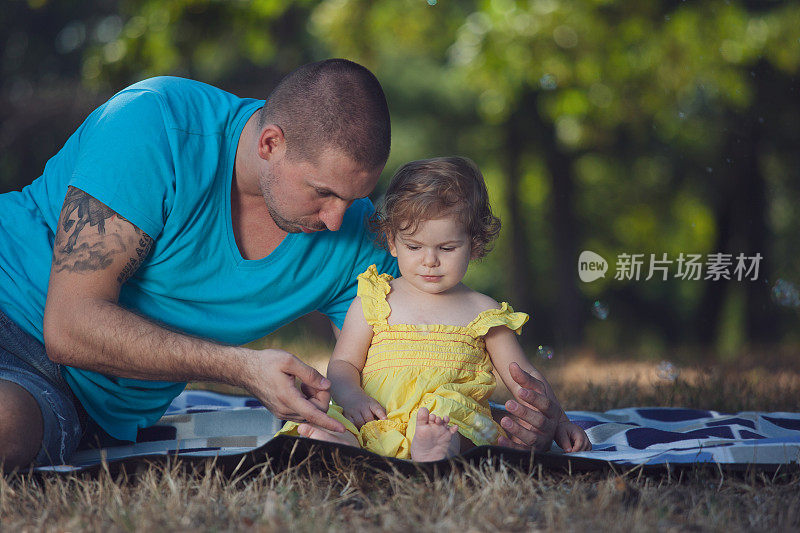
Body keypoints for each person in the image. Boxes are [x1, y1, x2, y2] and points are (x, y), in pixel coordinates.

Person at [0, 60, 561, 471]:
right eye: (322, 193)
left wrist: (522, 412)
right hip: (15, 304)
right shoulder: (153, 126)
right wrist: (244, 369)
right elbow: (68, 325)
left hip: (80, 403)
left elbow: (410, 355)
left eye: (353, 198)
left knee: (8, 428)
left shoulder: (351, 238)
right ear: (270, 142)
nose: (338, 219)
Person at [279, 157, 591, 460]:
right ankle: (340, 440)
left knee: (457, 417)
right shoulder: (374, 300)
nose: (430, 260)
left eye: (447, 248)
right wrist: (353, 396)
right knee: (334, 415)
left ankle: (438, 447)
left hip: (449, 421)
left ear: (475, 244)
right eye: (414, 246)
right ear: (391, 241)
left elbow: (525, 378)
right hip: (377, 415)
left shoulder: (483, 313)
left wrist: (559, 420)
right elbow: (344, 363)